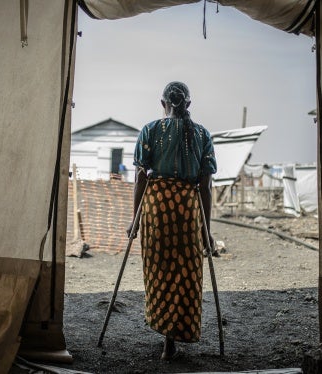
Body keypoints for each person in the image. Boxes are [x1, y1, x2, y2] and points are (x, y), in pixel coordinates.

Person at [127, 81, 217, 360]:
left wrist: (135, 220)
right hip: (188, 210)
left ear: (162, 103)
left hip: (158, 209)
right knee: (185, 273)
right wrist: (207, 232)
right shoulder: (202, 134)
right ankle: (174, 338)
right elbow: (205, 186)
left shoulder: (150, 130)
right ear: (188, 104)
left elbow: (141, 177)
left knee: (161, 270)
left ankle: (165, 335)